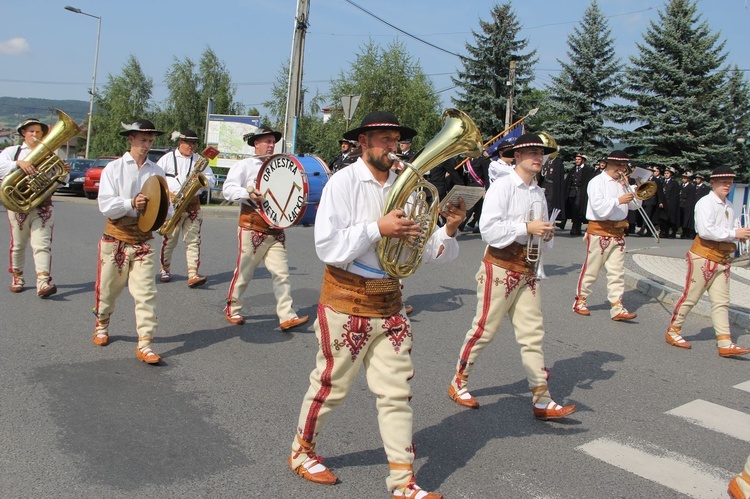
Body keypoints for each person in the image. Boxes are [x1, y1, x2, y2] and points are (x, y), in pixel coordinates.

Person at [288, 110, 464, 498]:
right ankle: (302, 452)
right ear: (363, 143)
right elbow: (328, 248)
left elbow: (425, 252)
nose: (392, 146)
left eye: (395, 139)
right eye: (383, 138)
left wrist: (448, 228)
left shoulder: (411, 188)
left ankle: (403, 482)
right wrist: (376, 229)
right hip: (346, 299)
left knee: (397, 392)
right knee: (331, 386)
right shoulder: (344, 183)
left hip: (391, 302)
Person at [446, 133, 576, 421]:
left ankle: (542, 398)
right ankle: (458, 382)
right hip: (501, 267)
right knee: (484, 330)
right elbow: (489, 231)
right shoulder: (503, 186)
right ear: (516, 157)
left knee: (533, 336)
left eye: (540, 153)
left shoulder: (538, 192)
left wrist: (546, 233)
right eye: (531, 152)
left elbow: (539, 234)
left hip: (528, 270)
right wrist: (527, 227)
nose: (538, 157)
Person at [93, 119, 170, 364]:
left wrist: (167, 210)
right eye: (142, 140)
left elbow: (163, 209)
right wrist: (130, 204)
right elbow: (105, 205)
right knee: (108, 290)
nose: (147, 144)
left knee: (146, 293)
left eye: (150, 140)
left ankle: (145, 343)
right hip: (116, 237)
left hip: (144, 241)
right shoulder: (114, 169)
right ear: (130, 139)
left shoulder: (156, 171)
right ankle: (102, 324)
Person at [222, 128, 309, 331]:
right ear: (256, 144)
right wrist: (248, 193)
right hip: (252, 225)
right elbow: (228, 190)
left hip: (275, 228)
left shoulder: (279, 165)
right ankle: (232, 308)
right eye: (267, 141)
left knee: (282, 273)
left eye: (273, 142)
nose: (271, 145)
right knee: (245, 272)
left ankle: (286, 315)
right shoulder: (244, 166)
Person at [664, 166, 750, 357]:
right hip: (703, 256)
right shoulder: (705, 203)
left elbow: (723, 232)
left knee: (721, 302)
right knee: (691, 296)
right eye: (723, 181)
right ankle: (673, 330)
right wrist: (733, 234)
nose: (727, 184)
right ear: (713, 183)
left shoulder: (727, 205)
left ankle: (725, 341)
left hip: (721, 258)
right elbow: (705, 231)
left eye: (730, 181)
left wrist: (736, 237)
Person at [0, 117, 68, 298]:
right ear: (23, 133)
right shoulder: (12, 152)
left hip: (43, 205)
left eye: (38, 132)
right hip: (19, 205)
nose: (35, 135)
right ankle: (18, 276)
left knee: (42, 245)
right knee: (18, 244)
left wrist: (64, 172)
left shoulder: (50, 153)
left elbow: (61, 182)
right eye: (31, 131)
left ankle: (43, 282)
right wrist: (18, 164)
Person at [572, 150, 641, 321]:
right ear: (609, 164)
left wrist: (638, 190)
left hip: (618, 232)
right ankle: (580, 301)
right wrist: (618, 200)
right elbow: (598, 207)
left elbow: (634, 206)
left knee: (617, 271)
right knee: (592, 269)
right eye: (618, 164)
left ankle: (617, 306)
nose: (622, 168)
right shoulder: (597, 181)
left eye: (624, 165)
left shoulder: (623, 183)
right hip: (599, 231)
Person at [156, 129, 217, 287]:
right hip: (173, 204)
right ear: (180, 143)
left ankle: (193, 274)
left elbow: (211, 180)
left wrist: (199, 184)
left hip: (192, 205)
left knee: (193, 241)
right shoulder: (167, 159)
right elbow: (156, 179)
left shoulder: (199, 160)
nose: (192, 146)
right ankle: (165, 269)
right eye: (189, 142)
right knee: (170, 240)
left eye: (194, 143)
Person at [658, 166, 680, 238]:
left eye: (667, 173)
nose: (666, 174)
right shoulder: (662, 181)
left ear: (671, 174)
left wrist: (673, 204)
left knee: (671, 218)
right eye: (665, 173)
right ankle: (664, 231)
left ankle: (673, 232)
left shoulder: (674, 182)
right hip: (664, 202)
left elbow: (675, 194)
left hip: (671, 203)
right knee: (663, 218)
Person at [678, 171, 696, 239]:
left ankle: (686, 233)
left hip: (687, 205)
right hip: (681, 204)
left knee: (686, 220)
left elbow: (691, 197)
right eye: (683, 178)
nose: (683, 179)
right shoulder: (681, 186)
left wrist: (689, 205)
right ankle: (683, 231)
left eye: (685, 178)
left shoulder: (691, 187)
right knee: (682, 219)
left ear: (688, 179)